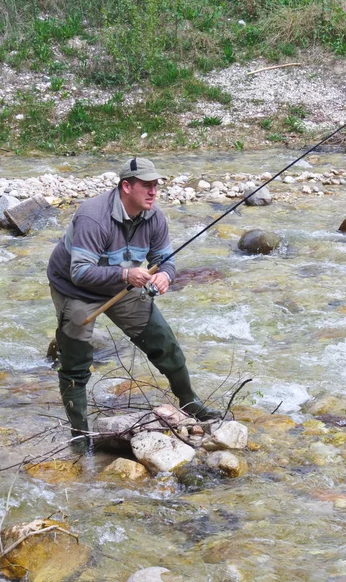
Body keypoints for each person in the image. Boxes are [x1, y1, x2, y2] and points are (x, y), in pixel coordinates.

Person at [47, 157, 222, 445]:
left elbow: (164, 260)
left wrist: (165, 275)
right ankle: (80, 435)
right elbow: (79, 272)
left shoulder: (155, 217)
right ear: (126, 186)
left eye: (156, 185)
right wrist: (127, 274)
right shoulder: (93, 217)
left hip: (123, 284)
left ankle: (189, 402)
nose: (153, 191)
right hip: (74, 288)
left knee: (164, 342)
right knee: (75, 364)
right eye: (146, 185)